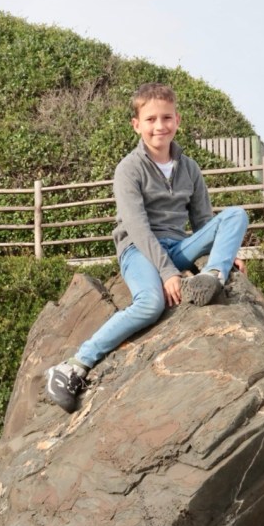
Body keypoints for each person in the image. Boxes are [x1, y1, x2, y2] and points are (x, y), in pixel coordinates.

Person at [46, 82, 249, 412]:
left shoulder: (190, 168)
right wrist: (168, 272)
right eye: (151, 119)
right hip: (137, 249)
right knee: (151, 304)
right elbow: (137, 227)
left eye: (166, 118)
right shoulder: (129, 169)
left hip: (178, 246)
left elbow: (203, 222)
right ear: (136, 124)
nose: (160, 126)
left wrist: (223, 255)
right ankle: (73, 365)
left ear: (177, 120)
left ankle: (212, 276)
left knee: (236, 215)